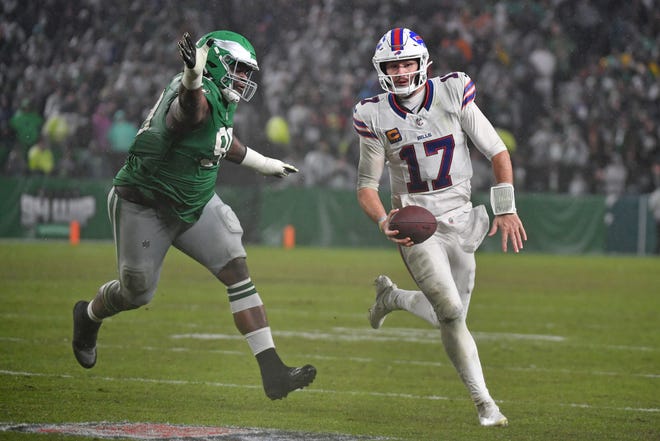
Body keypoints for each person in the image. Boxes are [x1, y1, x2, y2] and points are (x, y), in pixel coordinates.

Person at [72, 31, 316, 400]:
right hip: (146, 204)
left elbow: (219, 138)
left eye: (246, 72)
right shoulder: (192, 97)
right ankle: (88, 315)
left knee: (236, 268)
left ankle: (273, 372)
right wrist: (192, 77)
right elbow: (189, 113)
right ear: (213, 64)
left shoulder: (220, 98)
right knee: (136, 292)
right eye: (237, 69)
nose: (244, 79)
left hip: (194, 202)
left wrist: (262, 163)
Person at [353, 28, 527, 427]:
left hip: (462, 218)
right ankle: (485, 404)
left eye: (406, 63)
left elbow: (497, 152)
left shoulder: (452, 91)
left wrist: (506, 208)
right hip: (416, 223)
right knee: (449, 311)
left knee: (451, 317)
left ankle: (392, 299)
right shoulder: (373, 114)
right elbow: (366, 187)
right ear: (381, 69)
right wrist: (384, 219)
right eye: (392, 65)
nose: (399, 72)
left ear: (422, 63)